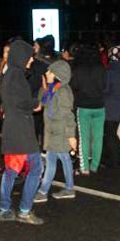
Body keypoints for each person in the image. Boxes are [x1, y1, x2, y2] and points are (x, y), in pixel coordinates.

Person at [0, 39, 45, 225]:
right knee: (32, 169)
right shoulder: (16, 76)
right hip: (20, 131)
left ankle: (6, 208)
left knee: (12, 171)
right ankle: (21, 210)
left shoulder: (10, 74)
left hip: (16, 128)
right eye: (29, 57)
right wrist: (35, 103)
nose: (31, 60)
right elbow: (20, 102)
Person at [34, 60, 77, 203]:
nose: (46, 73)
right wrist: (44, 88)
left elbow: (68, 114)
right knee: (58, 160)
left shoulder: (63, 91)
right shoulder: (53, 89)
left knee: (59, 160)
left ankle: (44, 191)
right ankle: (65, 189)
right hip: (53, 132)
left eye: (50, 71)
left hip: (60, 132)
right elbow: (43, 102)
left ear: (58, 74)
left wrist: (71, 135)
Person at [70, 43, 106, 175]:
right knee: (98, 138)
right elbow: (104, 86)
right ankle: (94, 166)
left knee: (84, 138)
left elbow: (74, 85)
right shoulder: (101, 68)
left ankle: (84, 168)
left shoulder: (79, 69)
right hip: (99, 106)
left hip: (84, 106)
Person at [102, 46, 120, 169]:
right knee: (113, 133)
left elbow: (106, 89)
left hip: (109, 106)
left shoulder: (110, 72)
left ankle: (115, 160)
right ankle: (119, 158)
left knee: (110, 134)